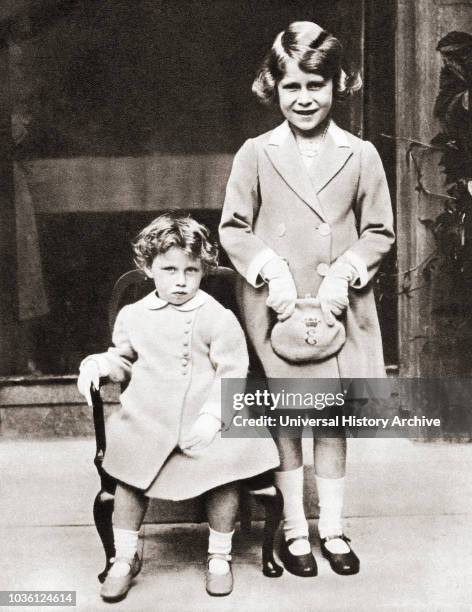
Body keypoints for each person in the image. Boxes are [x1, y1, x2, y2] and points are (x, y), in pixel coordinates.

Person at [219, 21, 395, 577]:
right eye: (291, 86)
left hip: (337, 307)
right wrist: (269, 268)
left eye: (314, 85)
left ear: (337, 83)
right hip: (279, 310)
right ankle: (295, 529)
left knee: (332, 420)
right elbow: (233, 227)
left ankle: (334, 530)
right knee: (287, 419)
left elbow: (379, 231)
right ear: (273, 87)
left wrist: (348, 271)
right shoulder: (256, 152)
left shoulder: (362, 154)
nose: (303, 98)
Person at [77, 213, 279, 601]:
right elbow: (123, 360)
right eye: (169, 269)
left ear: (204, 271)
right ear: (148, 267)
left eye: (191, 270)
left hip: (208, 417)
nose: (181, 280)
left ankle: (219, 555)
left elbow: (233, 372)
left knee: (224, 472)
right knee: (129, 477)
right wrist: (100, 364)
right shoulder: (134, 316)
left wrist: (213, 417)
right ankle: (124, 556)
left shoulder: (217, 317)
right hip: (150, 417)